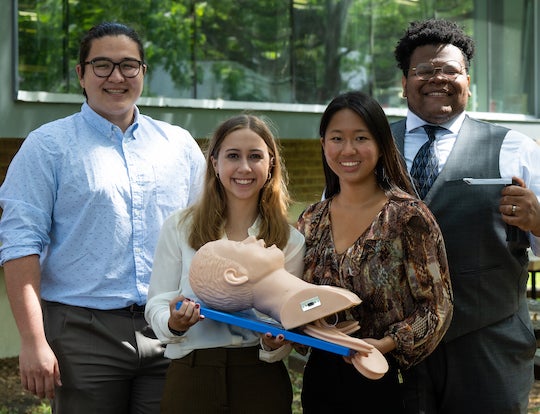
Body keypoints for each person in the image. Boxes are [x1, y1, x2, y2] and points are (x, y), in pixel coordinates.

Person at [0, 22, 205, 414]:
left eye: (129, 65)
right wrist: (32, 340)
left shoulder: (178, 145)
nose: (116, 77)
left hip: (171, 327)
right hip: (82, 334)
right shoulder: (47, 147)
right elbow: (20, 246)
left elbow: (206, 232)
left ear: (144, 72)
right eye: (102, 66)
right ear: (80, 74)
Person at [391, 18, 540, 413]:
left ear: (468, 83)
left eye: (451, 70)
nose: (437, 78)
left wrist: (537, 220)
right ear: (404, 83)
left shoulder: (516, 148)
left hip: (489, 345)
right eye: (424, 70)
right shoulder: (367, 148)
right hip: (392, 348)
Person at [296, 90, 453, 413]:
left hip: (385, 379)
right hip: (321, 380)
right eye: (337, 138)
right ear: (324, 143)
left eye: (361, 138)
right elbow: (295, 299)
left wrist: (385, 344)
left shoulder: (408, 217)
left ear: (381, 145)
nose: (348, 150)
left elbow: (437, 307)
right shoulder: (311, 220)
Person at [144, 114, 305, 413]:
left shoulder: (290, 241)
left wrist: (273, 344)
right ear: (215, 163)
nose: (244, 168)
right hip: (191, 375)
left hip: (260, 380)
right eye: (233, 156)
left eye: (255, 156)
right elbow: (157, 302)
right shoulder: (179, 228)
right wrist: (173, 323)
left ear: (270, 165)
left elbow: (288, 319)